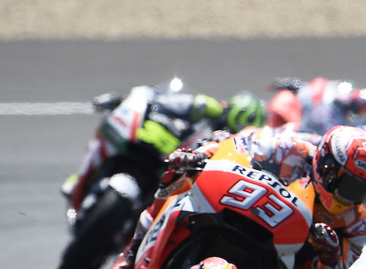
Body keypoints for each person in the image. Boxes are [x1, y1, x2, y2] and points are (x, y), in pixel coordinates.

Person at [106, 124, 366, 269]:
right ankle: (132, 253)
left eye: (361, 189)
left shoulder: (357, 221)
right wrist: (199, 154)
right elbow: (238, 145)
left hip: (285, 256)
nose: (349, 196)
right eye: (348, 184)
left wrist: (330, 257)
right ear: (327, 166)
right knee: (178, 178)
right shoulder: (292, 149)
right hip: (246, 202)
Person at [62, 82, 267, 208]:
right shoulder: (208, 108)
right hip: (158, 148)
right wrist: (133, 103)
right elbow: (163, 101)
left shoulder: (232, 147)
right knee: (109, 133)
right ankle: (81, 177)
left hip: (174, 175)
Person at [268, 77, 366, 235]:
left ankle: (341, 235)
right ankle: (270, 147)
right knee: (288, 114)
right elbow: (332, 92)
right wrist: (304, 90)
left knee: (365, 213)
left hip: (357, 178)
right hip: (336, 144)